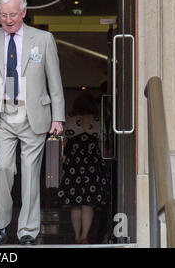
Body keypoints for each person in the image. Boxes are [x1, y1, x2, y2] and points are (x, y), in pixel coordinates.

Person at [0, 0, 65, 245]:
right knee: (2, 168)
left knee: (31, 174)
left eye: (13, 14)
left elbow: (54, 81)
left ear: (23, 12)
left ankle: (28, 231)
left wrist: (58, 118)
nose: (8, 20)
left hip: (32, 112)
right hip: (1, 112)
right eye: (3, 15)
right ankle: (2, 224)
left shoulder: (43, 39)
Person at [57, 91, 110, 244]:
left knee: (76, 203)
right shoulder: (98, 120)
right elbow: (104, 144)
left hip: (73, 165)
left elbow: (63, 144)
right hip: (92, 165)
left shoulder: (69, 121)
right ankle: (85, 236)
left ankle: (76, 235)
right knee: (88, 202)